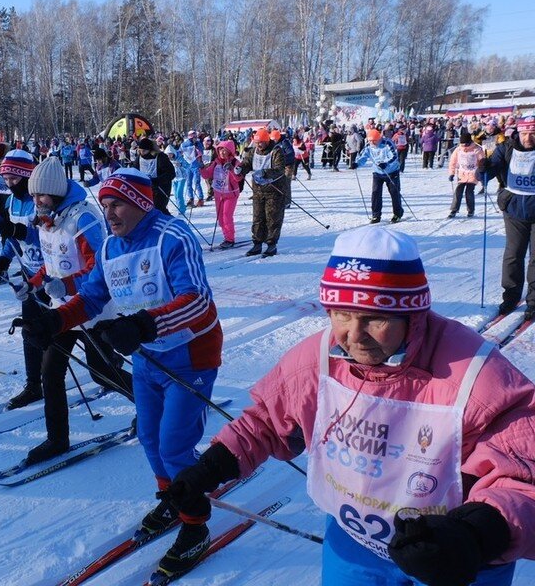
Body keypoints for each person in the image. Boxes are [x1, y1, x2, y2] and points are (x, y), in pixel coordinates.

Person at [167, 225, 535, 585]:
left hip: (450, 556)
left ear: (412, 315)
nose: (353, 336)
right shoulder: (321, 357)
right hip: (356, 541)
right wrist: (209, 469)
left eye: (375, 318)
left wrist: (476, 534)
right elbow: (266, 421)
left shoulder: (474, 374)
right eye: (341, 314)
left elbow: (523, 477)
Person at [20, 168, 223, 578]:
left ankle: (196, 527)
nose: (109, 212)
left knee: (173, 446)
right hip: (148, 356)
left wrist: (145, 324)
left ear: (141, 203)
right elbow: (92, 297)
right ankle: (173, 498)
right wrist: (54, 322)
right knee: (149, 436)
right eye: (106, 204)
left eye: (117, 204)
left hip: (191, 354)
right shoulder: (112, 247)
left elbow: (197, 301)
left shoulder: (172, 236)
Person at [12, 157, 134, 463]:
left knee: (104, 374)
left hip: (92, 311)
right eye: (34, 195)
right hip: (61, 312)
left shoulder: (83, 219)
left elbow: (99, 267)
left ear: (55, 192)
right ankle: (57, 440)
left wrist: (67, 286)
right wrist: (33, 283)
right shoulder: (46, 217)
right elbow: (50, 262)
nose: (35, 201)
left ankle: (151, 408)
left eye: (40, 195)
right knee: (49, 373)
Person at [0, 150, 45, 409]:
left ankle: (106, 365)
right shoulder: (12, 203)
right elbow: (13, 239)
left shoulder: (41, 202)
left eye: (14, 178)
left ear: (27, 177)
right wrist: (3, 260)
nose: (9, 183)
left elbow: (48, 239)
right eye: (5, 178)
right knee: (30, 331)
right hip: (29, 274)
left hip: (52, 275)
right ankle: (34, 385)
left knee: (73, 328)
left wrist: (20, 231)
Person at [481, 115, 535, 320]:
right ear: (518, 133)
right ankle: (511, 297)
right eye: (524, 133)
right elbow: (490, 170)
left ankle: (533, 302)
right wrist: (484, 168)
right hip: (514, 209)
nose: (528, 137)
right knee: (513, 255)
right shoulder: (507, 148)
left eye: (532, 133)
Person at [236, 128, 286, 256]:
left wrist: (265, 172)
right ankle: (257, 244)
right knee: (257, 218)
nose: (259, 145)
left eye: (261, 142)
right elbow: (247, 163)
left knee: (272, 218)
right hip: (258, 190)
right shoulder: (253, 151)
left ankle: (271, 244)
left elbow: (280, 169)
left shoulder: (276, 151)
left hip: (274, 191)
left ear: (267, 140)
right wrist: (241, 169)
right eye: (257, 142)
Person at [357, 128, 402, 224]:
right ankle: (376, 215)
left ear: (379, 138)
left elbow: (394, 156)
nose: (372, 143)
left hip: (391, 171)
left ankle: (397, 213)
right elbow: (363, 156)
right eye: (370, 141)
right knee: (375, 193)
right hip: (377, 173)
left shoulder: (387, 143)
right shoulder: (369, 146)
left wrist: (386, 163)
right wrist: (356, 164)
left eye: (374, 140)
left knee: (394, 193)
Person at [212, 140, 242, 249]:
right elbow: (207, 175)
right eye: (220, 150)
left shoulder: (235, 162)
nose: (222, 153)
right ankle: (226, 236)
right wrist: (200, 167)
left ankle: (230, 239)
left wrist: (232, 170)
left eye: (224, 151)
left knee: (226, 216)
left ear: (230, 151)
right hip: (218, 194)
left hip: (230, 194)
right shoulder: (216, 162)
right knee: (220, 218)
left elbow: (239, 178)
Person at [135, 138, 175, 216]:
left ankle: (170, 223)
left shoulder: (160, 157)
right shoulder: (139, 158)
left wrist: (157, 180)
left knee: (159, 208)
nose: (141, 153)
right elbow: (135, 171)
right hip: (145, 187)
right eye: (140, 150)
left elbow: (171, 173)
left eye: (144, 151)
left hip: (160, 187)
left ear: (150, 150)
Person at [448, 130, 483, 218]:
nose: (463, 146)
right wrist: (451, 173)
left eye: (465, 144)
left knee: (469, 191)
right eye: (462, 144)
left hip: (473, 173)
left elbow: (482, 161)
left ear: (469, 142)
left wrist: (482, 171)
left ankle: (470, 210)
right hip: (462, 173)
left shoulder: (477, 149)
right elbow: (453, 161)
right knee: (458, 191)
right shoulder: (458, 149)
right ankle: (454, 210)